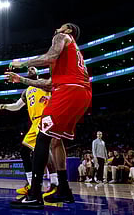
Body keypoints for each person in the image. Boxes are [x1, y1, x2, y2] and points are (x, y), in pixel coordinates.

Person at [6, 23, 92, 209]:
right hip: (82, 94)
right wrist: (21, 80)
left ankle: (34, 194)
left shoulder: (61, 38)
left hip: (68, 92)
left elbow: (50, 56)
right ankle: (64, 189)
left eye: (61, 26)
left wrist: (23, 63)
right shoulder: (71, 55)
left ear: (68, 30)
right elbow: (48, 84)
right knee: (55, 140)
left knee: (42, 138)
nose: (56, 28)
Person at [0, 67, 57, 195]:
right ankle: (32, 183)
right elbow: (17, 106)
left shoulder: (43, 83)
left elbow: (54, 89)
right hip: (34, 123)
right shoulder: (26, 91)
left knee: (40, 150)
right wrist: (5, 106)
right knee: (26, 152)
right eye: (28, 69)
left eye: (33, 68)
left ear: (38, 72)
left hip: (44, 118)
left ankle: (54, 183)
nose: (30, 70)